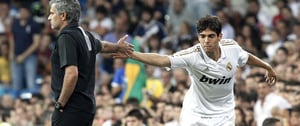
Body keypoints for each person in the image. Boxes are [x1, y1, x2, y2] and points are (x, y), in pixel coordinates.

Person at [113, 15, 277, 125]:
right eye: (202, 36)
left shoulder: (232, 48)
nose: (206, 41)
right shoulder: (192, 55)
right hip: (196, 113)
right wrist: (132, 55)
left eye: (211, 36)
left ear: (219, 36)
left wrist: (267, 67)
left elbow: (246, 57)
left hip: (224, 112)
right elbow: (163, 60)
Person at [47, 0, 133, 126]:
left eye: (52, 13)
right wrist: (117, 47)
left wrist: (60, 103)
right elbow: (102, 46)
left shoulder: (66, 37)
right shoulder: (84, 35)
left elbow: (72, 74)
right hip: (86, 107)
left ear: (63, 16)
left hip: (71, 107)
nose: (49, 17)